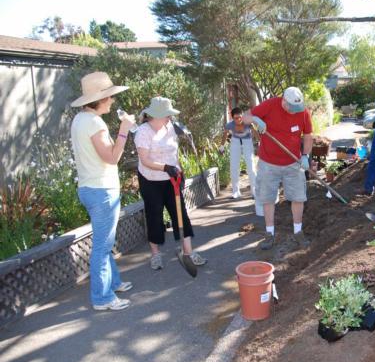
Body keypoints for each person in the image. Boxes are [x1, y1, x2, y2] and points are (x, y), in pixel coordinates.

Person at [70, 71, 135, 311]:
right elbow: (112, 157)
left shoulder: (79, 120)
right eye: (109, 97)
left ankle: (113, 282)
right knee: (102, 246)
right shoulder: (94, 122)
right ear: (99, 99)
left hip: (89, 188)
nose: (112, 101)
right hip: (102, 191)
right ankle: (102, 298)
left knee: (103, 242)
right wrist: (124, 129)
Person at [134, 97, 207, 274]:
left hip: (172, 179)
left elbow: (173, 153)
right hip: (150, 179)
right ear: (156, 115)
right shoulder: (143, 132)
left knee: (180, 213)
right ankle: (155, 254)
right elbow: (145, 160)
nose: (169, 118)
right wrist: (165, 168)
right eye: (167, 115)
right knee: (155, 216)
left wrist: (178, 170)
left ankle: (188, 252)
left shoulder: (170, 127)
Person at [241, 86, 313, 250]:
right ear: (284, 101)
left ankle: (298, 232)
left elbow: (308, 136)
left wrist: (305, 156)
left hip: (293, 163)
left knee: (298, 197)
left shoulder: (303, 112)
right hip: (269, 163)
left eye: (297, 108)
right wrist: (255, 120)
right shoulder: (270, 105)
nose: (295, 112)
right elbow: (245, 117)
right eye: (292, 108)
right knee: (267, 199)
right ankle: (269, 234)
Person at [219, 107, 257, 199]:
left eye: (240, 117)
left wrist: (260, 143)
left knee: (251, 167)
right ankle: (236, 191)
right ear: (232, 118)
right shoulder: (230, 125)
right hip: (235, 141)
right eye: (236, 118)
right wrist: (222, 147)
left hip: (247, 142)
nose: (238, 119)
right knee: (234, 167)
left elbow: (255, 132)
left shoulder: (248, 123)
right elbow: (225, 134)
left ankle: (255, 191)